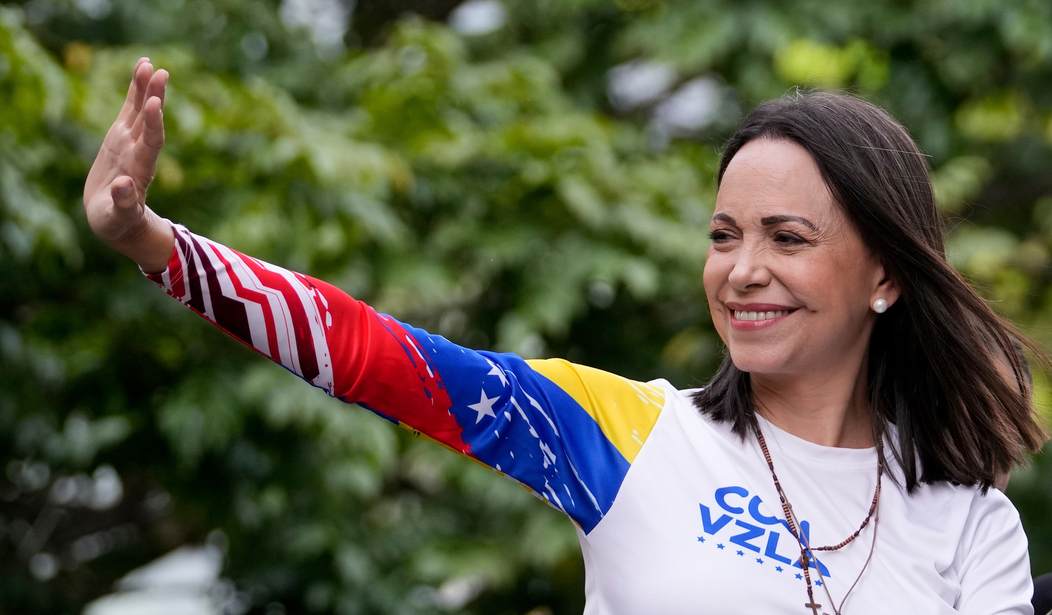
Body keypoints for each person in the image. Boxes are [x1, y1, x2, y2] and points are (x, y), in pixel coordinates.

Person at [84, 58, 1047, 614]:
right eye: (724, 235)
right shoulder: (624, 433)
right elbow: (375, 354)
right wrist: (152, 242)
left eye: (787, 238)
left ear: (886, 275)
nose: (743, 269)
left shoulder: (968, 522)